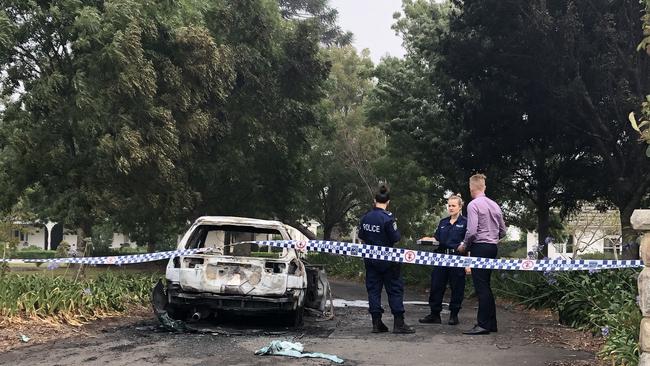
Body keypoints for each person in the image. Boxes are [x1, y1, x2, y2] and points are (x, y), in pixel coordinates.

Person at [358, 185, 415, 334]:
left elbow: (362, 236)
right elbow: (395, 238)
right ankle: (399, 323)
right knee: (395, 290)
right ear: (388, 201)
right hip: (389, 260)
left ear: (374, 200)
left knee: (373, 290)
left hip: (370, 259)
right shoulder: (388, 218)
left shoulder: (365, 217)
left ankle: (376, 323)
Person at [457, 174, 506, 335]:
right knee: (486, 284)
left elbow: (471, 231)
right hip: (492, 248)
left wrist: (464, 245)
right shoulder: (494, 205)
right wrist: (493, 239)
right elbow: (503, 231)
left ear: (471, 188)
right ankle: (492, 323)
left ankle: (483, 324)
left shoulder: (473, 205)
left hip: (480, 247)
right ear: (484, 187)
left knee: (481, 286)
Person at [419, 194, 467, 326]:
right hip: (441, 257)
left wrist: (468, 263)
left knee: (457, 287)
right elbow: (437, 239)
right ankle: (435, 314)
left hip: (456, 258)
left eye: (453, 205)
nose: (451, 208)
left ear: (460, 206)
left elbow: (468, 243)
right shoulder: (443, 222)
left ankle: (454, 315)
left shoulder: (465, 223)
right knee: (436, 285)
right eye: (449, 205)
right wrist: (427, 239)